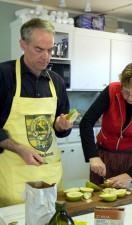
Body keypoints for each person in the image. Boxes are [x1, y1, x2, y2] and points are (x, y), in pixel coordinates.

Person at [0, 18, 74, 207]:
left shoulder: (56, 81)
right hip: (14, 172)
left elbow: (59, 128)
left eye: (50, 50)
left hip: (49, 172)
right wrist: (19, 148)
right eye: (39, 49)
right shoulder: (4, 75)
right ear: (22, 45)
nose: (46, 57)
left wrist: (61, 126)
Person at [79, 62, 132, 188]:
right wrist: (92, 156)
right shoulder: (112, 91)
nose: (129, 97)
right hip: (104, 158)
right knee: (99, 200)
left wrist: (130, 175)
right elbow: (86, 122)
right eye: (126, 91)